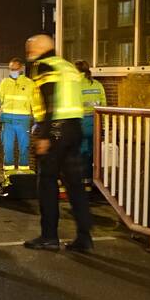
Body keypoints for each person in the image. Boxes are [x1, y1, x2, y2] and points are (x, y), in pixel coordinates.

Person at [23, 34, 93, 253]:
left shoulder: (44, 65)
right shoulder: (68, 67)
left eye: (31, 47)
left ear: (43, 47)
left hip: (55, 130)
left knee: (47, 183)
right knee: (75, 185)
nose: (29, 52)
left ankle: (49, 236)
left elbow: (49, 96)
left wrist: (44, 134)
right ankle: (84, 237)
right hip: (74, 128)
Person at [0, 57, 36, 188]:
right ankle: (9, 178)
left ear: (21, 69)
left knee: (23, 148)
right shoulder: (4, 83)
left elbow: (35, 103)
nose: (12, 71)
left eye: (15, 69)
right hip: (7, 120)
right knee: (8, 149)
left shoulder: (30, 83)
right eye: (11, 69)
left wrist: (37, 120)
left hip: (23, 120)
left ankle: (24, 178)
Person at [74, 60, 107, 194]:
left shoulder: (75, 86)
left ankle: (82, 183)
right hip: (96, 122)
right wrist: (103, 125)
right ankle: (93, 182)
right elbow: (104, 105)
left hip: (81, 122)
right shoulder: (98, 85)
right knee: (93, 153)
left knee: (80, 153)